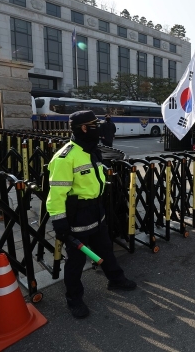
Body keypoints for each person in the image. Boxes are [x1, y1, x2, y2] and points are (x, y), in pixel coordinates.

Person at [47, 110, 137, 319]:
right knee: (76, 261)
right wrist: (59, 221)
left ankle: (115, 279)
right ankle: (74, 298)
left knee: (105, 249)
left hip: (96, 211)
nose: (99, 129)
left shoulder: (91, 150)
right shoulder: (65, 157)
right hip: (77, 216)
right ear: (84, 128)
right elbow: (56, 194)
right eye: (94, 125)